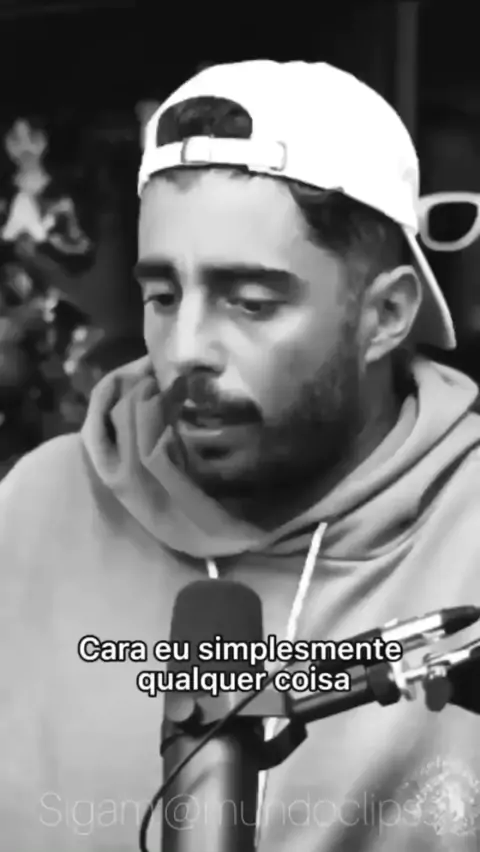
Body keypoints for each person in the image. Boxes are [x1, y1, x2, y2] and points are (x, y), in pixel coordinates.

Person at [2, 60, 480, 852]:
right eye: (162, 297)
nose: (184, 349)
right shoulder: (34, 507)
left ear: (386, 315)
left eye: (251, 303)